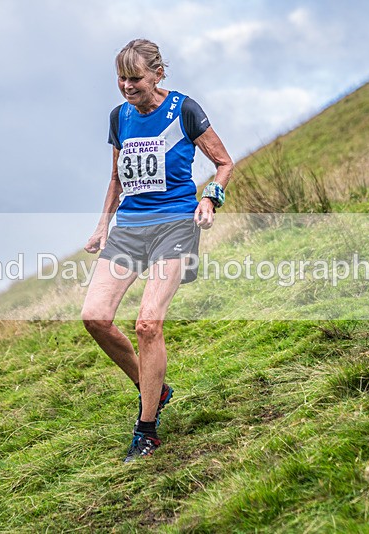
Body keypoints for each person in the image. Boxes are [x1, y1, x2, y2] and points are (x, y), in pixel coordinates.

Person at [81, 39, 233, 462]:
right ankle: (155, 387)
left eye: (135, 78)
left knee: (148, 324)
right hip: (130, 228)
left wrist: (210, 199)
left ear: (157, 75)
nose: (127, 86)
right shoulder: (120, 117)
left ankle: (145, 431)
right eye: (121, 78)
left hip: (175, 226)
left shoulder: (183, 109)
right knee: (94, 317)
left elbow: (224, 162)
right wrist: (102, 226)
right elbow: (116, 177)